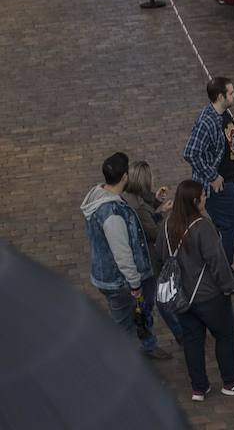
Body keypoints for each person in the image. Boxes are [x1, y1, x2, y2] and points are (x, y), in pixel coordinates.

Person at [154, 180, 234, 402]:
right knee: (224, 334)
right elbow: (217, 262)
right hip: (208, 296)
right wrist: (228, 286)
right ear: (194, 201)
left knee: (192, 340)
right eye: (203, 196)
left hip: (181, 296)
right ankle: (231, 381)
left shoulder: (166, 225)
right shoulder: (203, 227)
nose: (205, 198)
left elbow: (161, 255)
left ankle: (199, 387)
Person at [80, 152, 172, 360]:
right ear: (124, 178)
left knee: (139, 314)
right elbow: (122, 254)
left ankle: (147, 345)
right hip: (120, 281)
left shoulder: (102, 193)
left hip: (113, 276)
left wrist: (155, 206)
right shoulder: (112, 214)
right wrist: (135, 284)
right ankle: (124, 364)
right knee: (124, 327)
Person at [183, 76, 234, 290]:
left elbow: (226, 143)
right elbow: (191, 153)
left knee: (226, 227)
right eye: (231, 93)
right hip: (217, 187)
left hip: (228, 180)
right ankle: (223, 274)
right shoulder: (207, 121)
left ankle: (221, 269)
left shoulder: (223, 114)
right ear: (220, 96)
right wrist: (212, 176)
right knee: (231, 226)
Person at [124, 160, 183, 344]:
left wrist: (156, 201)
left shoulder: (129, 197)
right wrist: (164, 215)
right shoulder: (139, 208)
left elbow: (146, 205)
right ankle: (179, 334)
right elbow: (154, 232)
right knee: (160, 298)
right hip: (148, 259)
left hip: (142, 257)